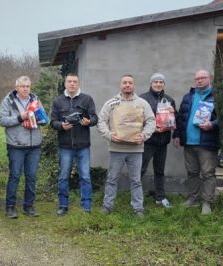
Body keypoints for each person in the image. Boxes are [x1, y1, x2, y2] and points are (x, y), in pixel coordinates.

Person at [97, 74, 155, 217]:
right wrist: (109, 135)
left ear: (133, 85)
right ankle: (107, 206)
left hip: (136, 150)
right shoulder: (112, 103)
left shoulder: (142, 103)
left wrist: (144, 135)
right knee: (112, 179)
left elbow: (151, 121)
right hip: (116, 149)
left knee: (136, 180)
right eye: (125, 83)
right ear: (120, 85)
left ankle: (138, 208)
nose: (127, 85)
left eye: (130, 83)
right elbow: (101, 121)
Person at [50, 73, 98, 216]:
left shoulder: (87, 99)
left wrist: (89, 121)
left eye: (74, 82)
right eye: (69, 81)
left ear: (78, 84)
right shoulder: (58, 101)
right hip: (65, 146)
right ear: (65, 83)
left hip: (83, 146)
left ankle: (86, 207)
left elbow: (95, 118)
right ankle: (63, 205)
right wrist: (61, 125)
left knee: (85, 177)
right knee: (63, 177)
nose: (72, 84)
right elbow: (52, 121)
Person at [173, 69, 220, 215]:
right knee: (192, 172)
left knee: (208, 174)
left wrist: (212, 124)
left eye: (203, 78)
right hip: (189, 143)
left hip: (207, 143)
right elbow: (181, 118)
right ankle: (192, 199)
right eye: (197, 78)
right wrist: (177, 135)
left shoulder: (217, 97)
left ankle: (207, 202)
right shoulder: (189, 96)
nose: (199, 80)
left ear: (210, 78)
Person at [0, 76, 44, 218]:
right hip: (16, 145)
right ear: (16, 87)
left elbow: (44, 119)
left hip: (34, 145)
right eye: (22, 86)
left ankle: (29, 206)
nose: (25, 89)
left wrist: (40, 119)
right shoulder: (8, 101)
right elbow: (2, 120)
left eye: (28, 86)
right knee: (15, 176)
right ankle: (10, 207)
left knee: (31, 176)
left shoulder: (35, 100)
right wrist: (20, 117)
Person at [139, 73, 177, 208]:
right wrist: (150, 129)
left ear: (164, 84)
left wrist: (174, 112)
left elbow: (174, 121)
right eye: (155, 82)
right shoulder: (143, 99)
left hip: (163, 142)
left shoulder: (169, 100)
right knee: (140, 169)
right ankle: (136, 198)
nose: (158, 84)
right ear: (151, 84)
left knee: (160, 171)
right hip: (148, 141)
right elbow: (137, 119)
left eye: (161, 82)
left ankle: (160, 197)